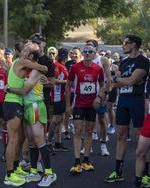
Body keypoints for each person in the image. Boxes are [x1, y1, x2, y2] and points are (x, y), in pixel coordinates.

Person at [104, 34, 150, 183]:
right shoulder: (124, 62)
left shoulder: (143, 61)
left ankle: (145, 174)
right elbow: (115, 83)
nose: (123, 45)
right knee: (120, 136)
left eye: (125, 43)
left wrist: (119, 79)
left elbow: (131, 80)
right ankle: (118, 172)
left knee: (141, 138)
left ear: (134, 44)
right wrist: (120, 80)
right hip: (123, 101)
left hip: (136, 101)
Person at [7, 53, 57, 187]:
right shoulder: (33, 72)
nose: (28, 60)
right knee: (31, 141)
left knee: (39, 139)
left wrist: (9, 88)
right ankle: (34, 171)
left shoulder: (36, 71)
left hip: (35, 106)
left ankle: (49, 173)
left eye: (31, 59)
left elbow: (24, 90)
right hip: (29, 107)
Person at [66, 43, 105, 175]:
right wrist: (68, 105)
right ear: (83, 53)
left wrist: (99, 97)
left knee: (89, 131)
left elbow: (103, 86)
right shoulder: (75, 67)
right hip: (78, 104)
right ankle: (77, 161)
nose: (87, 53)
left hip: (92, 105)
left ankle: (86, 160)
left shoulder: (98, 69)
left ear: (95, 54)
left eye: (90, 52)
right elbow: (68, 86)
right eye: (85, 51)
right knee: (77, 130)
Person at [84, 39, 111, 156]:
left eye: (90, 48)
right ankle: (87, 147)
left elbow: (109, 78)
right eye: (86, 48)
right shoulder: (84, 60)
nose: (87, 51)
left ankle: (103, 144)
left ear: (96, 49)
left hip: (100, 93)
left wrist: (106, 93)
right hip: (87, 94)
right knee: (88, 121)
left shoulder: (102, 60)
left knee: (102, 118)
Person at [47, 48, 70, 152]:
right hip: (56, 96)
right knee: (55, 120)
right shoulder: (57, 66)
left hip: (62, 96)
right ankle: (48, 142)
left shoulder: (63, 66)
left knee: (60, 120)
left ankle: (58, 142)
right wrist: (68, 82)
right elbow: (53, 80)